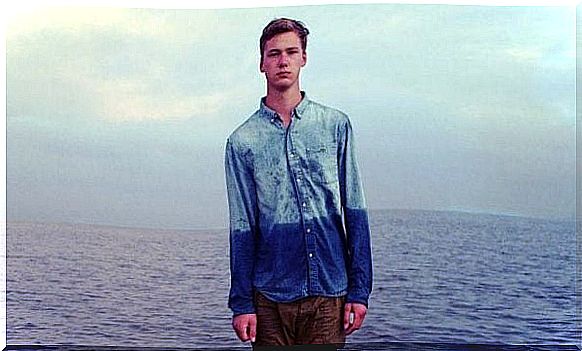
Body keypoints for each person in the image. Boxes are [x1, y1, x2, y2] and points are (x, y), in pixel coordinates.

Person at [224, 18, 373, 347]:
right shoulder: (242, 142)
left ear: (304, 58)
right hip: (269, 299)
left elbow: (356, 209)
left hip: (329, 293)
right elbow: (241, 226)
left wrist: (360, 291)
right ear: (262, 63)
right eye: (274, 54)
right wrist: (242, 304)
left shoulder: (336, 126)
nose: (283, 60)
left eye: (291, 51)